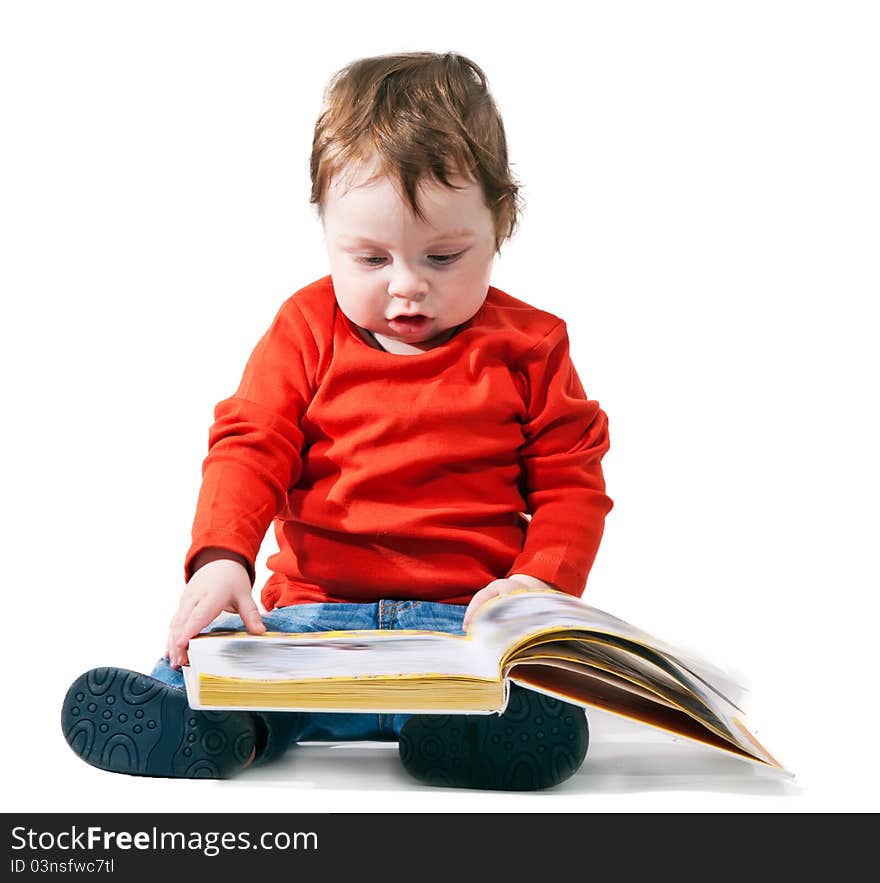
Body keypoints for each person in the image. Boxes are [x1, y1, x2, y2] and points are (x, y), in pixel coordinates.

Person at [62, 51, 613, 791]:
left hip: (462, 629)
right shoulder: (304, 327)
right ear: (327, 231)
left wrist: (534, 589)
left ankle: (467, 733)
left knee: (524, 690)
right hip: (315, 623)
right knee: (221, 651)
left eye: (444, 256)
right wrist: (222, 557)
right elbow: (250, 444)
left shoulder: (533, 346)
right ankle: (217, 724)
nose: (407, 286)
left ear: (500, 225)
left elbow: (571, 485)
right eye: (370, 257)